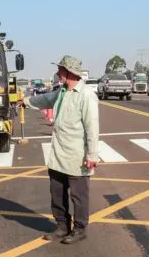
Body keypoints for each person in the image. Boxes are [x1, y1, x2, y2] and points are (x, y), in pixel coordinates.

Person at [22, 55, 99, 244]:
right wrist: (25, 101)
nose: (57, 73)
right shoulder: (62, 92)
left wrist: (92, 155)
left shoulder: (86, 95)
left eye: (60, 70)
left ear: (69, 73)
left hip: (77, 155)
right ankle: (62, 226)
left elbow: (92, 127)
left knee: (78, 196)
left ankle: (80, 229)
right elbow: (45, 100)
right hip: (58, 154)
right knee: (57, 193)